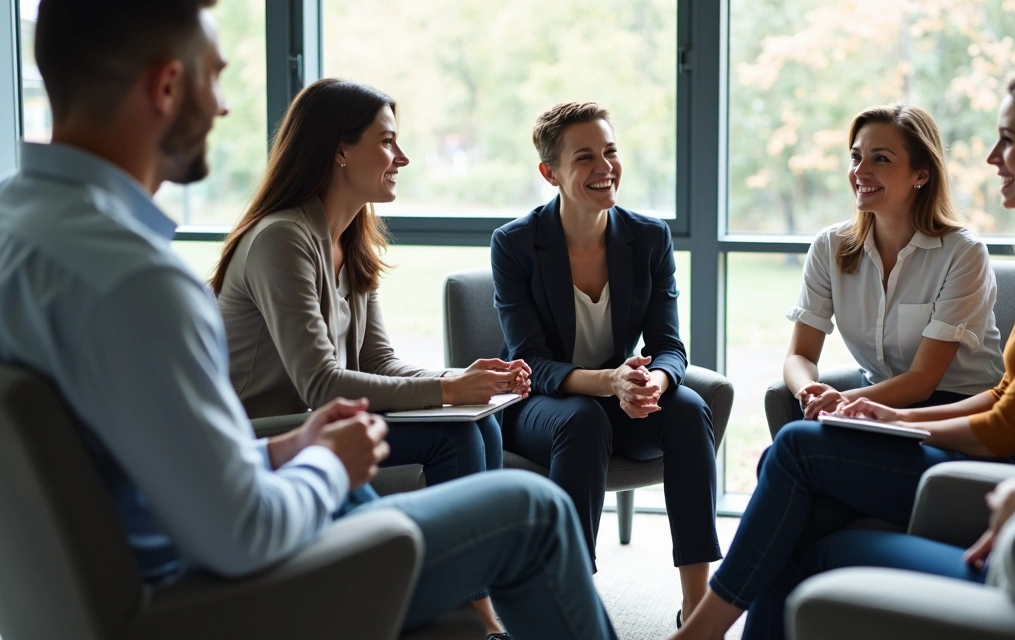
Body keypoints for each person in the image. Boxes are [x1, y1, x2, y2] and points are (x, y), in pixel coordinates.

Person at [0, 2, 615, 638]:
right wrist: (325, 461)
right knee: (534, 510)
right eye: (213, 78)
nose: (222, 107)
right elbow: (244, 532)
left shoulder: (23, 231)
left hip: (137, 567)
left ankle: (469, 616)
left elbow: (157, 458)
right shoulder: (141, 283)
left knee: (415, 469)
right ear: (165, 87)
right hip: (197, 597)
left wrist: (295, 449)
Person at [672, 1, 1015, 638]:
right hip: (1006, 474)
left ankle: (700, 631)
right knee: (801, 493)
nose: (991, 157)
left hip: (1013, 507)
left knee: (799, 478)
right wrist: (891, 417)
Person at [209, 77, 529, 638]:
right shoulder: (282, 239)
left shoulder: (350, 237)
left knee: (483, 430)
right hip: (269, 432)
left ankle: (474, 605)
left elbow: (380, 362)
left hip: (324, 418)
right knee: (453, 437)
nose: (401, 157)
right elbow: (320, 384)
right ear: (339, 149)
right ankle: (472, 617)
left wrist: (461, 380)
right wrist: (449, 393)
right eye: (386, 142)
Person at [491, 102, 719, 627]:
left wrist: (650, 385)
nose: (605, 167)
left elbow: (669, 345)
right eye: (585, 157)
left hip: (621, 402)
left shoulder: (648, 237)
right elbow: (529, 359)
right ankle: (572, 605)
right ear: (550, 173)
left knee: (687, 409)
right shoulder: (516, 244)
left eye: (611, 152)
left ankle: (699, 608)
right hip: (539, 406)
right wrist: (609, 382)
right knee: (582, 418)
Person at [834, 65, 1015, 462]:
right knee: (809, 478)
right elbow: (1006, 393)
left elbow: (1008, 428)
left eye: (1007, 139)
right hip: (995, 445)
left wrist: (895, 424)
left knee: (799, 446)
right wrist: (892, 415)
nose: (991, 157)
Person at [782, 105, 1004, 423]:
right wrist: (811, 393)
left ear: (922, 174)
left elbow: (923, 380)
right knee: (797, 442)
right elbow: (800, 355)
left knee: (796, 444)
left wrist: (842, 400)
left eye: (880, 159)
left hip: (952, 410)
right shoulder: (829, 246)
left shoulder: (963, 253)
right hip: (873, 401)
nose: (860, 172)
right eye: (856, 157)